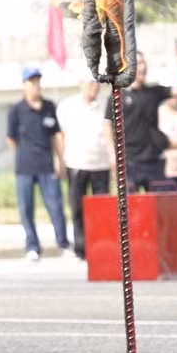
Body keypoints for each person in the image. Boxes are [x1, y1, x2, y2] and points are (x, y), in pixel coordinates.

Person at [6, 68, 68, 261]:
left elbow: (56, 136)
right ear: (24, 85)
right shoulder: (16, 110)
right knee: (26, 208)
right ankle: (32, 246)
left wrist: (60, 161)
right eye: (31, 82)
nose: (35, 85)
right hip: (25, 167)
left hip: (47, 165)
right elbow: (11, 138)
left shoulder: (49, 107)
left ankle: (63, 244)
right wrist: (24, 154)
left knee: (55, 205)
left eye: (37, 81)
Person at [119, 47, 177, 194]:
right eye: (138, 64)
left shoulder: (153, 92)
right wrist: (114, 155)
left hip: (153, 161)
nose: (143, 67)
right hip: (129, 162)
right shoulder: (119, 95)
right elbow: (109, 126)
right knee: (131, 208)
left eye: (144, 63)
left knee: (161, 205)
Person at [58, 79, 112, 260]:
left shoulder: (107, 104)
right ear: (80, 84)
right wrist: (59, 161)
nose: (94, 86)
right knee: (77, 208)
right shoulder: (68, 106)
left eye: (97, 83)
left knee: (102, 210)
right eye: (90, 83)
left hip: (101, 164)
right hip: (76, 163)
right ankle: (81, 248)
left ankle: (101, 246)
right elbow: (61, 136)